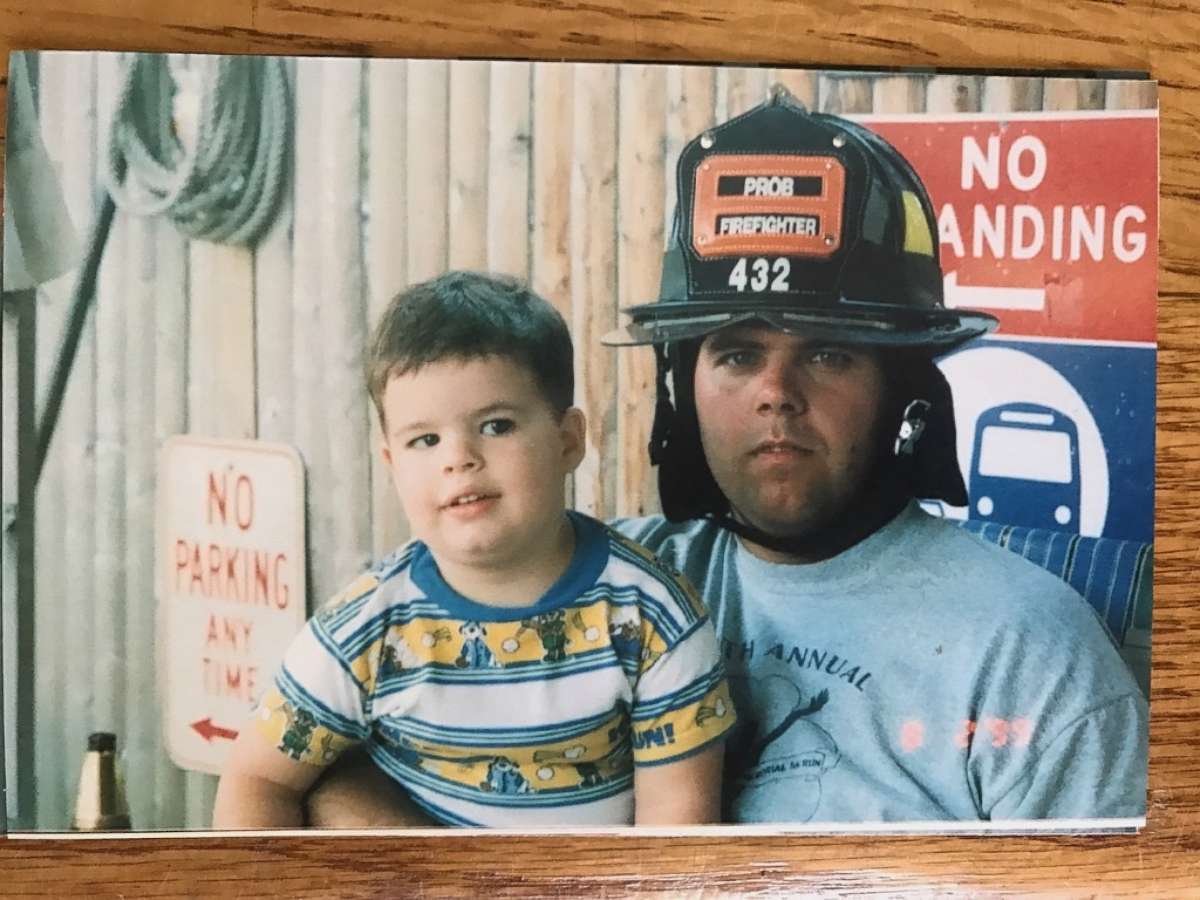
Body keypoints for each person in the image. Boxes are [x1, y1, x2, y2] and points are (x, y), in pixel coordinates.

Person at [304, 90, 1148, 826]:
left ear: (904, 389)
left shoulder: (1028, 652)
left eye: (828, 354)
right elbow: (313, 760)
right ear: (682, 388)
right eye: (738, 355)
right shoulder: (601, 590)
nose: (775, 393)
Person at [213, 272, 735, 828]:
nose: (458, 458)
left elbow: (675, 843)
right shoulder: (365, 627)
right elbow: (257, 780)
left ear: (567, 441)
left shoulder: (652, 616)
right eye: (425, 440)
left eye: (495, 425)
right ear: (392, 465)